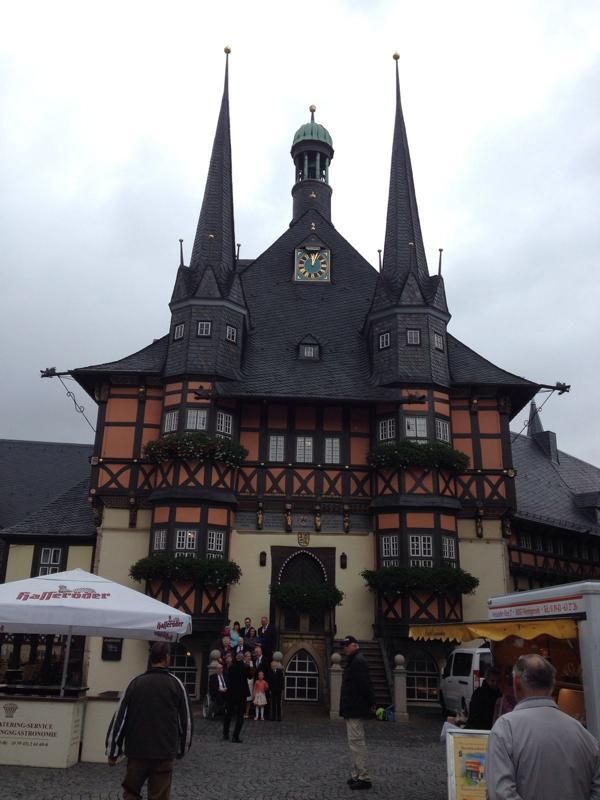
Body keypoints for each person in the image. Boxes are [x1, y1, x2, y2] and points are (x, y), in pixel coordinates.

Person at [487, 653, 600, 800]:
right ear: (552, 685)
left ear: (517, 683)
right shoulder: (583, 734)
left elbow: (500, 793)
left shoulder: (506, 729)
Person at [106, 641, 192, 800]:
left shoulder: (135, 683)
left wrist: (113, 751)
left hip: (137, 751)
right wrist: (182, 749)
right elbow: (185, 722)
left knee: (131, 793)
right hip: (164, 752)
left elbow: (120, 719)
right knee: (159, 796)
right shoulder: (176, 684)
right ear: (167, 658)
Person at [340, 635, 375, 791]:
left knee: (357, 743)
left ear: (355, 645)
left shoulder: (358, 662)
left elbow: (365, 685)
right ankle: (356, 775)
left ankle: (364, 777)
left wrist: (371, 703)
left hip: (355, 707)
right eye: (344, 646)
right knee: (354, 743)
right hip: (352, 707)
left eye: (347, 645)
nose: (344, 648)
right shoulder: (354, 661)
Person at [463, 665, 501, 730]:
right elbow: (474, 715)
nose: (495, 684)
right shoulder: (479, 693)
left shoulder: (499, 694)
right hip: (478, 729)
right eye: (492, 681)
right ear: (487, 680)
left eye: (497, 681)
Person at [223, 651, 249, 743]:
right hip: (241, 694)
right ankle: (235, 736)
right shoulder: (245, 667)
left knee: (228, 714)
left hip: (231, 693)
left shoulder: (231, 667)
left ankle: (225, 733)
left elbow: (228, 678)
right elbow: (250, 676)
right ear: (243, 658)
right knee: (240, 716)